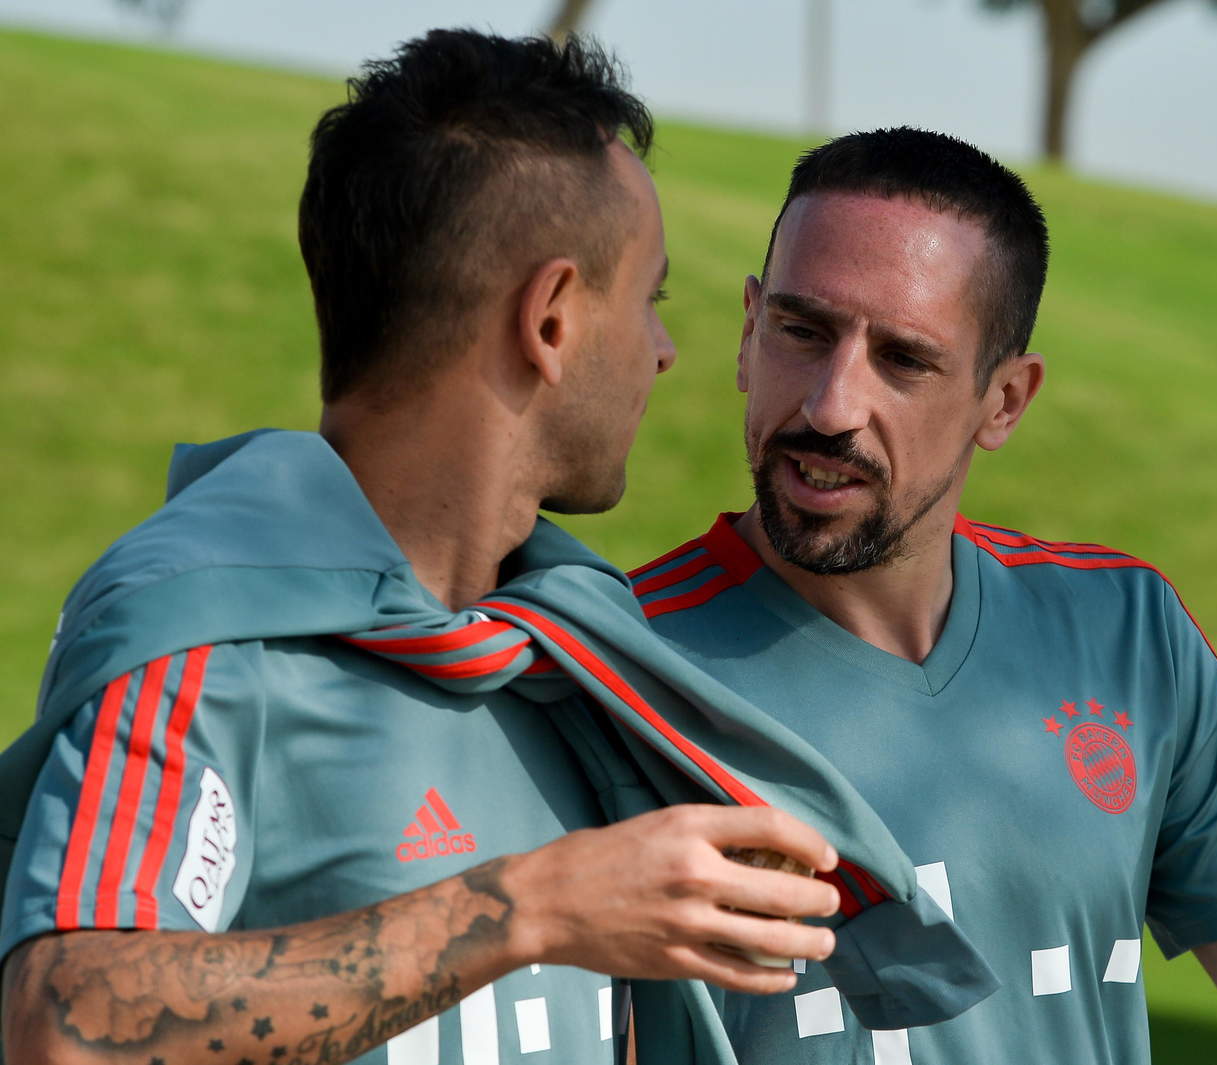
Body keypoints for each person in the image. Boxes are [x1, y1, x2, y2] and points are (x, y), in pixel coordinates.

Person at [0, 31, 846, 1065]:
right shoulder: (210, 643)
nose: (663, 351)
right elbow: (66, 1024)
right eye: (648, 300)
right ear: (549, 320)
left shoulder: (578, 662)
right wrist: (533, 906)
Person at [631, 128, 1217, 1063]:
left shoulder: (1126, 637)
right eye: (803, 331)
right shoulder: (614, 670)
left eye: (903, 360)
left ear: (1005, 401)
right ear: (749, 332)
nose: (832, 406)